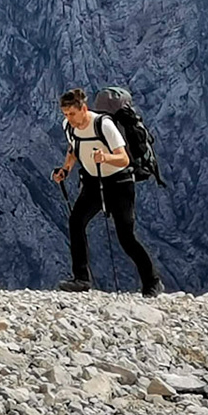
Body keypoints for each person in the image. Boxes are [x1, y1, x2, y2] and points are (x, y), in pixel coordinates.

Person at [53, 87, 163, 295]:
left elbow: (124, 158)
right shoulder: (69, 126)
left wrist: (105, 158)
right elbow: (73, 149)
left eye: (72, 114)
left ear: (83, 108)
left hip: (120, 183)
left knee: (126, 237)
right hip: (93, 182)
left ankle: (152, 281)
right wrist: (65, 169)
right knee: (76, 222)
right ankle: (81, 279)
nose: (69, 118)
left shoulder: (103, 125)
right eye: (66, 114)